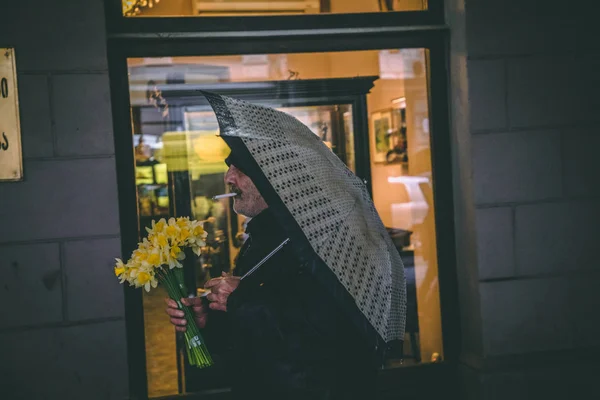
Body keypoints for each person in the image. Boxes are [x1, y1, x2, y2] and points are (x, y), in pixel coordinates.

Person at [165, 155, 378, 399]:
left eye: (241, 169)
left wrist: (241, 299)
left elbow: (327, 328)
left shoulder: (324, 240)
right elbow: (253, 335)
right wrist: (209, 321)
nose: (228, 177)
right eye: (229, 167)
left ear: (274, 176)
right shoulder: (262, 237)